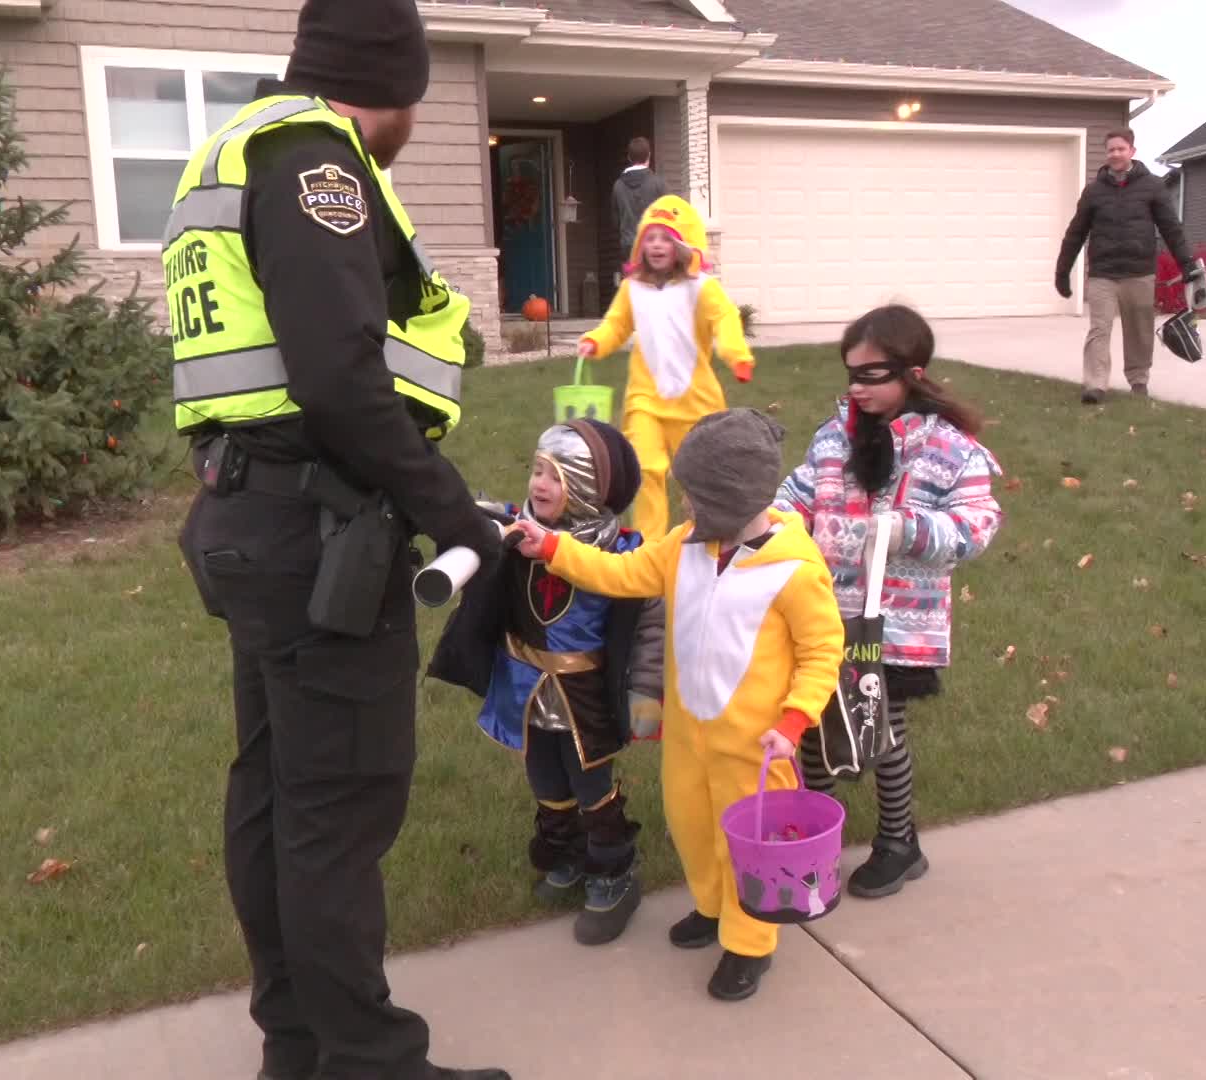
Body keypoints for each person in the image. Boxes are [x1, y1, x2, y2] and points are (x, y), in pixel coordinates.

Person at [165, 2, 509, 1078]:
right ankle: (368, 1061)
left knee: (274, 796)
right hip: (316, 533)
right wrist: (454, 512)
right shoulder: (319, 165)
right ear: (388, 86)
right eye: (414, 95)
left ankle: (300, 1045)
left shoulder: (229, 156)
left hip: (248, 513)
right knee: (338, 811)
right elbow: (335, 376)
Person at [510, 408, 846, 1003]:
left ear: (730, 497)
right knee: (692, 828)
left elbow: (823, 651)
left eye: (695, 495)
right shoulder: (685, 545)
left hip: (756, 748)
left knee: (747, 846)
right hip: (689, 732)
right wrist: (555, 548)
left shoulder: (794, 570)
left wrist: (793, 723)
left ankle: (749, 944)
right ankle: (713, 909)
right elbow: (623, 572)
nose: (684, 506)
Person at [773, 305, 1005, 898]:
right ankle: (812, 842)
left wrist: (908, 530)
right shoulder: (834, 438)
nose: (856, 387)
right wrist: (766, 523)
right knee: (817, 727)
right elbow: (796, 496)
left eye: (871, 375)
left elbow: (976, 526)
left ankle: (900, 842)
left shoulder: (951, 450)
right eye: (851, 373)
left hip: (898, 622)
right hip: (824, 614)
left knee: (883, 729)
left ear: (913, 373)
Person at [426, 418, 664, 946]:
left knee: (590, 783)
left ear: (584, 487)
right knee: (544, 776)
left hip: (584, 694)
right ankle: (568, 852)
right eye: (536, 470)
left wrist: (647, 693)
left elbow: (649, 626)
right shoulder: (514, 534)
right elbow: (475, 523)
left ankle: (613, 869)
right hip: (523, 683)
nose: (538, 485)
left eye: (554, 476)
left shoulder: (622, 553)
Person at [576, 195, 754, 537]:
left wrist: (737, 355)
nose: (656, 246)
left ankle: (708, 537)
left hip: (696, 403)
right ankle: (650, 547)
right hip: (646, 400)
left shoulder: (701, 288)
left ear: (682, 244)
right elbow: (616, 325)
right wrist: (597, 341)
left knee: (701, 475)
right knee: (644, 470)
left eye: (666, 238)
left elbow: (725, 319)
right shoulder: (632, 289)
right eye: (650, 238)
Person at [1054, 127, 1202, 405]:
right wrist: (1062, 271)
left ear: (1132, 151)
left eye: (1121, 149)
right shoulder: (1094, 192)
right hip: (1103, 274)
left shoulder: (1153, 187)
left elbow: (1171, 229)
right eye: (1111, 149)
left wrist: (1187, 263)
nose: (1115, 154)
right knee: (1099, 329)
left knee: (1139, 330)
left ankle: (1138, 380)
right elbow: (1075, 232)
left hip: (1139, 273)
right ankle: (1095, 384)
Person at [612, 136, 669, 264]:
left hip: (629, 248)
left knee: (634, 284)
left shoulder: (618, 185)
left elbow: (616, 221)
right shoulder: (658, 183)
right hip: (655, 249)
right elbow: (670, 218)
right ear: (649, 155)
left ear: (629, 157)